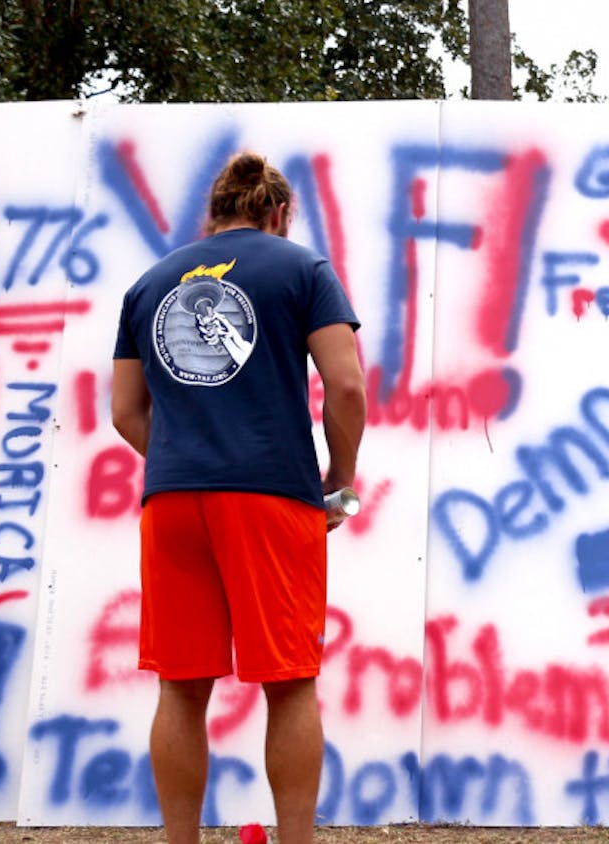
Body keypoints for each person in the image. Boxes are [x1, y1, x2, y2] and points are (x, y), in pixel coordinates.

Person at [110, 151, 366, 844]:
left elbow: (125, 413)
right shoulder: (302, 268)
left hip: (171, 502)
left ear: (215, 213)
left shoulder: (150, 284)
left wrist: (186, 455)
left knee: (180, 687)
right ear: (278, 213)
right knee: (288, 681)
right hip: (270, 496)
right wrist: (339, 482)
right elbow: (345, 386)